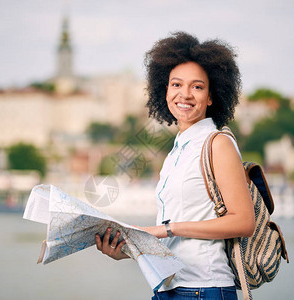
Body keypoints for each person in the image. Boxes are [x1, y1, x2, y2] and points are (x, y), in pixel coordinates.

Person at [96, 32, 255, 300]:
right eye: (176, 84)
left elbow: (243, 221)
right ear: (165, 90)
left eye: (197, 86)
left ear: (211, 96)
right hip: (168, 288)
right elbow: (176, 242)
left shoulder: (217, 143)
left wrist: (169, 228)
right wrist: (125, 250)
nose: (185, 94)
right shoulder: (175, 153)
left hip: (203, 289)